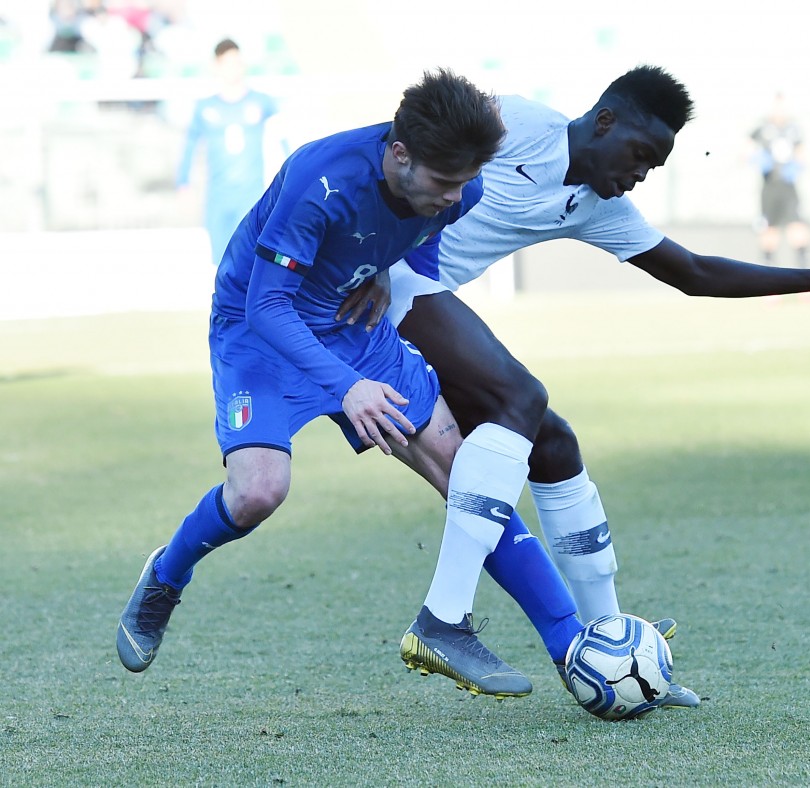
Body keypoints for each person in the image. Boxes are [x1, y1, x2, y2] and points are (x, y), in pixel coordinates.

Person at [335, 65, 810, 706]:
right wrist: (371, 253)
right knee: (521, 399)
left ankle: (608, 640)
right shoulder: (512, 122)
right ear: (604, 121)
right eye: (638, 155)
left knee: (553, 444)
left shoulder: (600, 204)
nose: (640, 175)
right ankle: (443, 618)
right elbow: (403, 138)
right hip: (371, 287)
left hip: (414, 294)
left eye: (652, 168)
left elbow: (692, 271)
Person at [117, 68, 581, 701]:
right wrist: (349, 388)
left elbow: (423, 233)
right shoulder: (321, 180)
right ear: (398, 154)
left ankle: (573, 646)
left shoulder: (459, 188)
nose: (455, 196)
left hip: (347, 320)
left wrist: (387, 270)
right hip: (259, 328)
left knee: (465, 473)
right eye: (444, 182)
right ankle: (166, 575)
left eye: (465, 180)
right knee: (258, 493)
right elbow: (266, 306)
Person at [177, 38, 286, 265]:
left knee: (251, 259)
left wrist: (291, 177)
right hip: (218, 196)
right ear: (216, 66)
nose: (233, 69)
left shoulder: (261, 102)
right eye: (227, 63)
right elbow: (190, 145)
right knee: (222, 262)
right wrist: (183, 182)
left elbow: (281, 138)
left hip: (251, 195)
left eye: (236, 62)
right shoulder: (205, 107)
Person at [750, 92, 810, 266]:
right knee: (769, 229)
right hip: (769, 186)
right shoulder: (761, 129)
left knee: (797, 226)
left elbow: (803, 156)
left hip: (788, 186)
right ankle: (767, 274)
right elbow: (746, 151)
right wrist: (758, 158)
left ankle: (806, 273)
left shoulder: (794, 129)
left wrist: (796, 166)